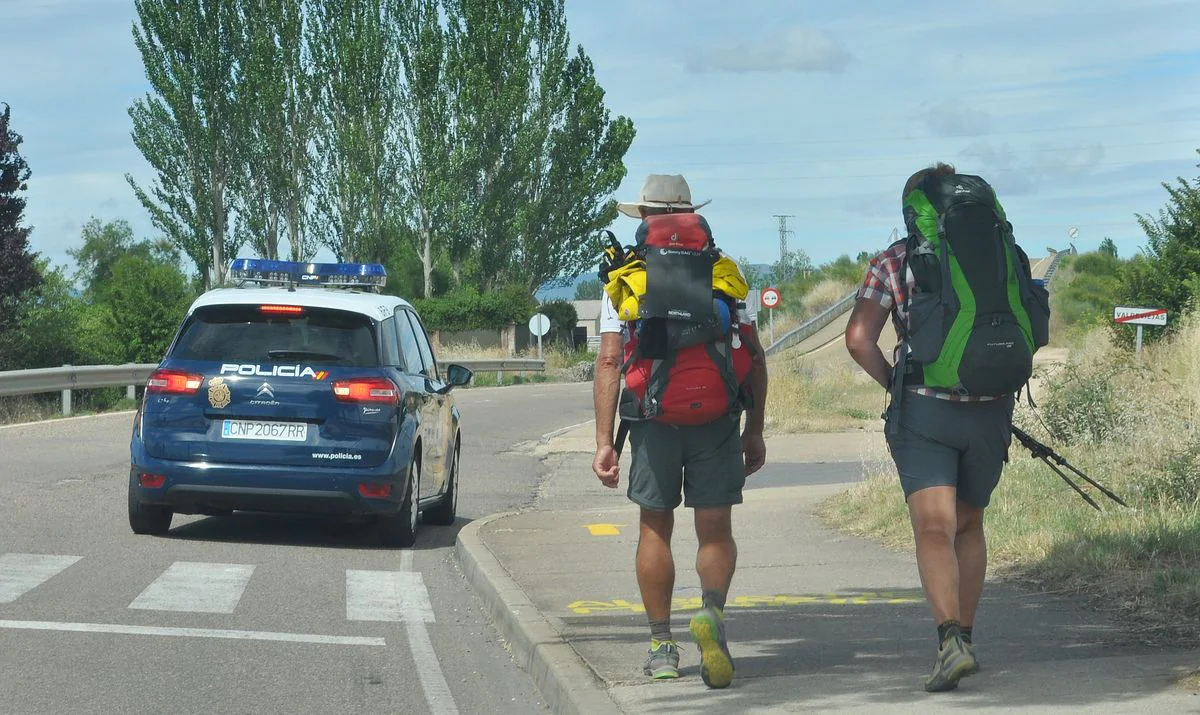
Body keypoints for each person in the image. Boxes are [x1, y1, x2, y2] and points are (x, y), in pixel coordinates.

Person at [845, 162, 1046, 692]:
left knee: (934, 528)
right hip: (990, 407)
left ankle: (949, 641)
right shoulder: (1007, 252)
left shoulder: (895, 260)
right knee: (970, 524)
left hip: (925, 411)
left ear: (915, 211)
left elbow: (858, 338)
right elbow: (1034, 325)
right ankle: (971, 638)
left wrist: (896, 383)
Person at [591, 173, 769, 689]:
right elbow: (753, 358)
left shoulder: (626, 278)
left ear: (646, 217)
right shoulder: (727, 273)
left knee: (655, 528)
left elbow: (608, 361)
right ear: (691, 215)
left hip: (652, 417)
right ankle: (711, 614)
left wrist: (605, 442)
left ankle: (662, 646)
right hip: (716, 415)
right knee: (716, 530)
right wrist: (753, 429)